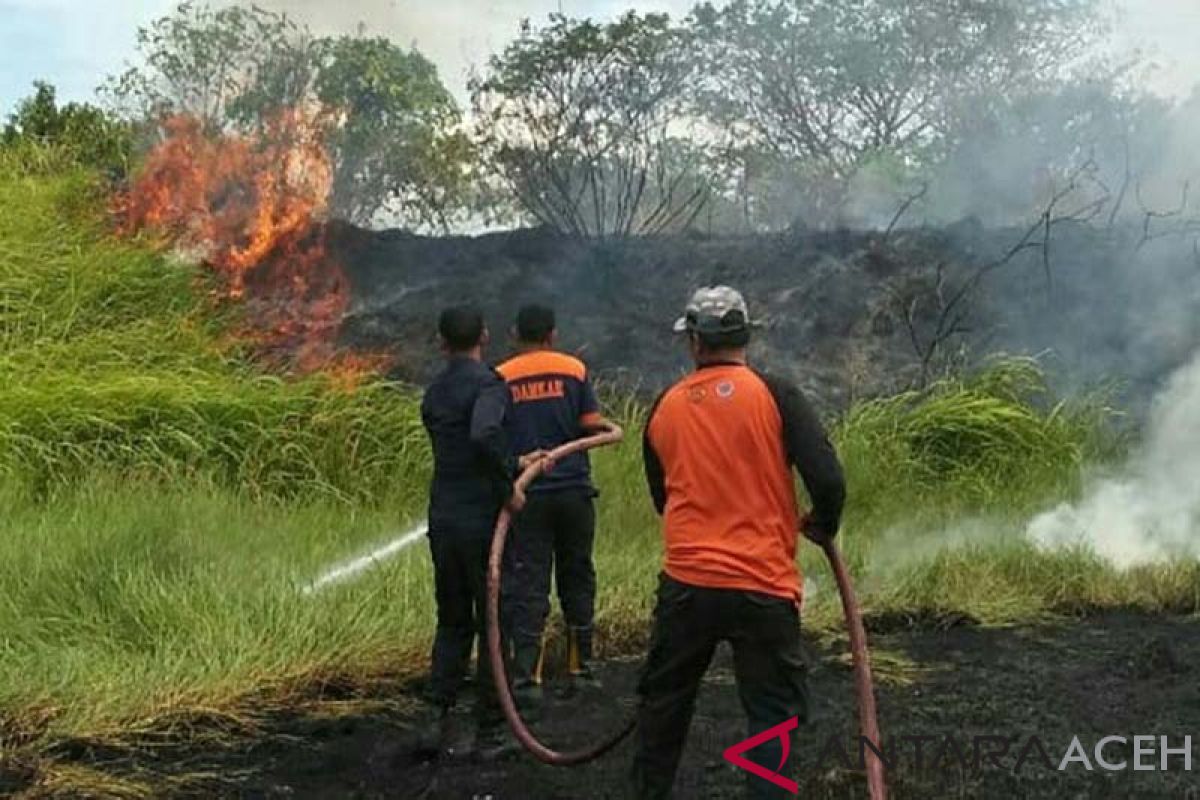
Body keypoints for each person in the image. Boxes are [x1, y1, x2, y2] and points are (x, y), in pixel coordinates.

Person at [632, 286, 847, 799]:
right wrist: (822, 523)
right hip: (762, 587)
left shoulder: (664, 407)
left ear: (695, 343)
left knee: (663, 705)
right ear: (744, 337)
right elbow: (829, 480)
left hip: (687, 587)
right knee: (771, 715)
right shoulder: (777, 395)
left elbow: (663, 499)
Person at [419, 305, 537, 759]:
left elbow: (461, 445)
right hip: (481, 523)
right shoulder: (489, 385)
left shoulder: (434, 391)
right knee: (493, 622)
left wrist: (515, 461)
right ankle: (490, 730)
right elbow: (484, 434)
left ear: (440, 342)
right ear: (485, 335)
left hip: (443, 518)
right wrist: (507, 488)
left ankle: (436, 717)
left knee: (452, 620)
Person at [497, 304, 615, 710]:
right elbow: (589, 424)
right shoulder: (574, 369)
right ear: (553, 334)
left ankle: (527, 679)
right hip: (574, 495)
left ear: (515, 334)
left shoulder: (502, 376)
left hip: (527, 499)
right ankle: (582, 670)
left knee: (528, 582)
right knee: (577, 576)